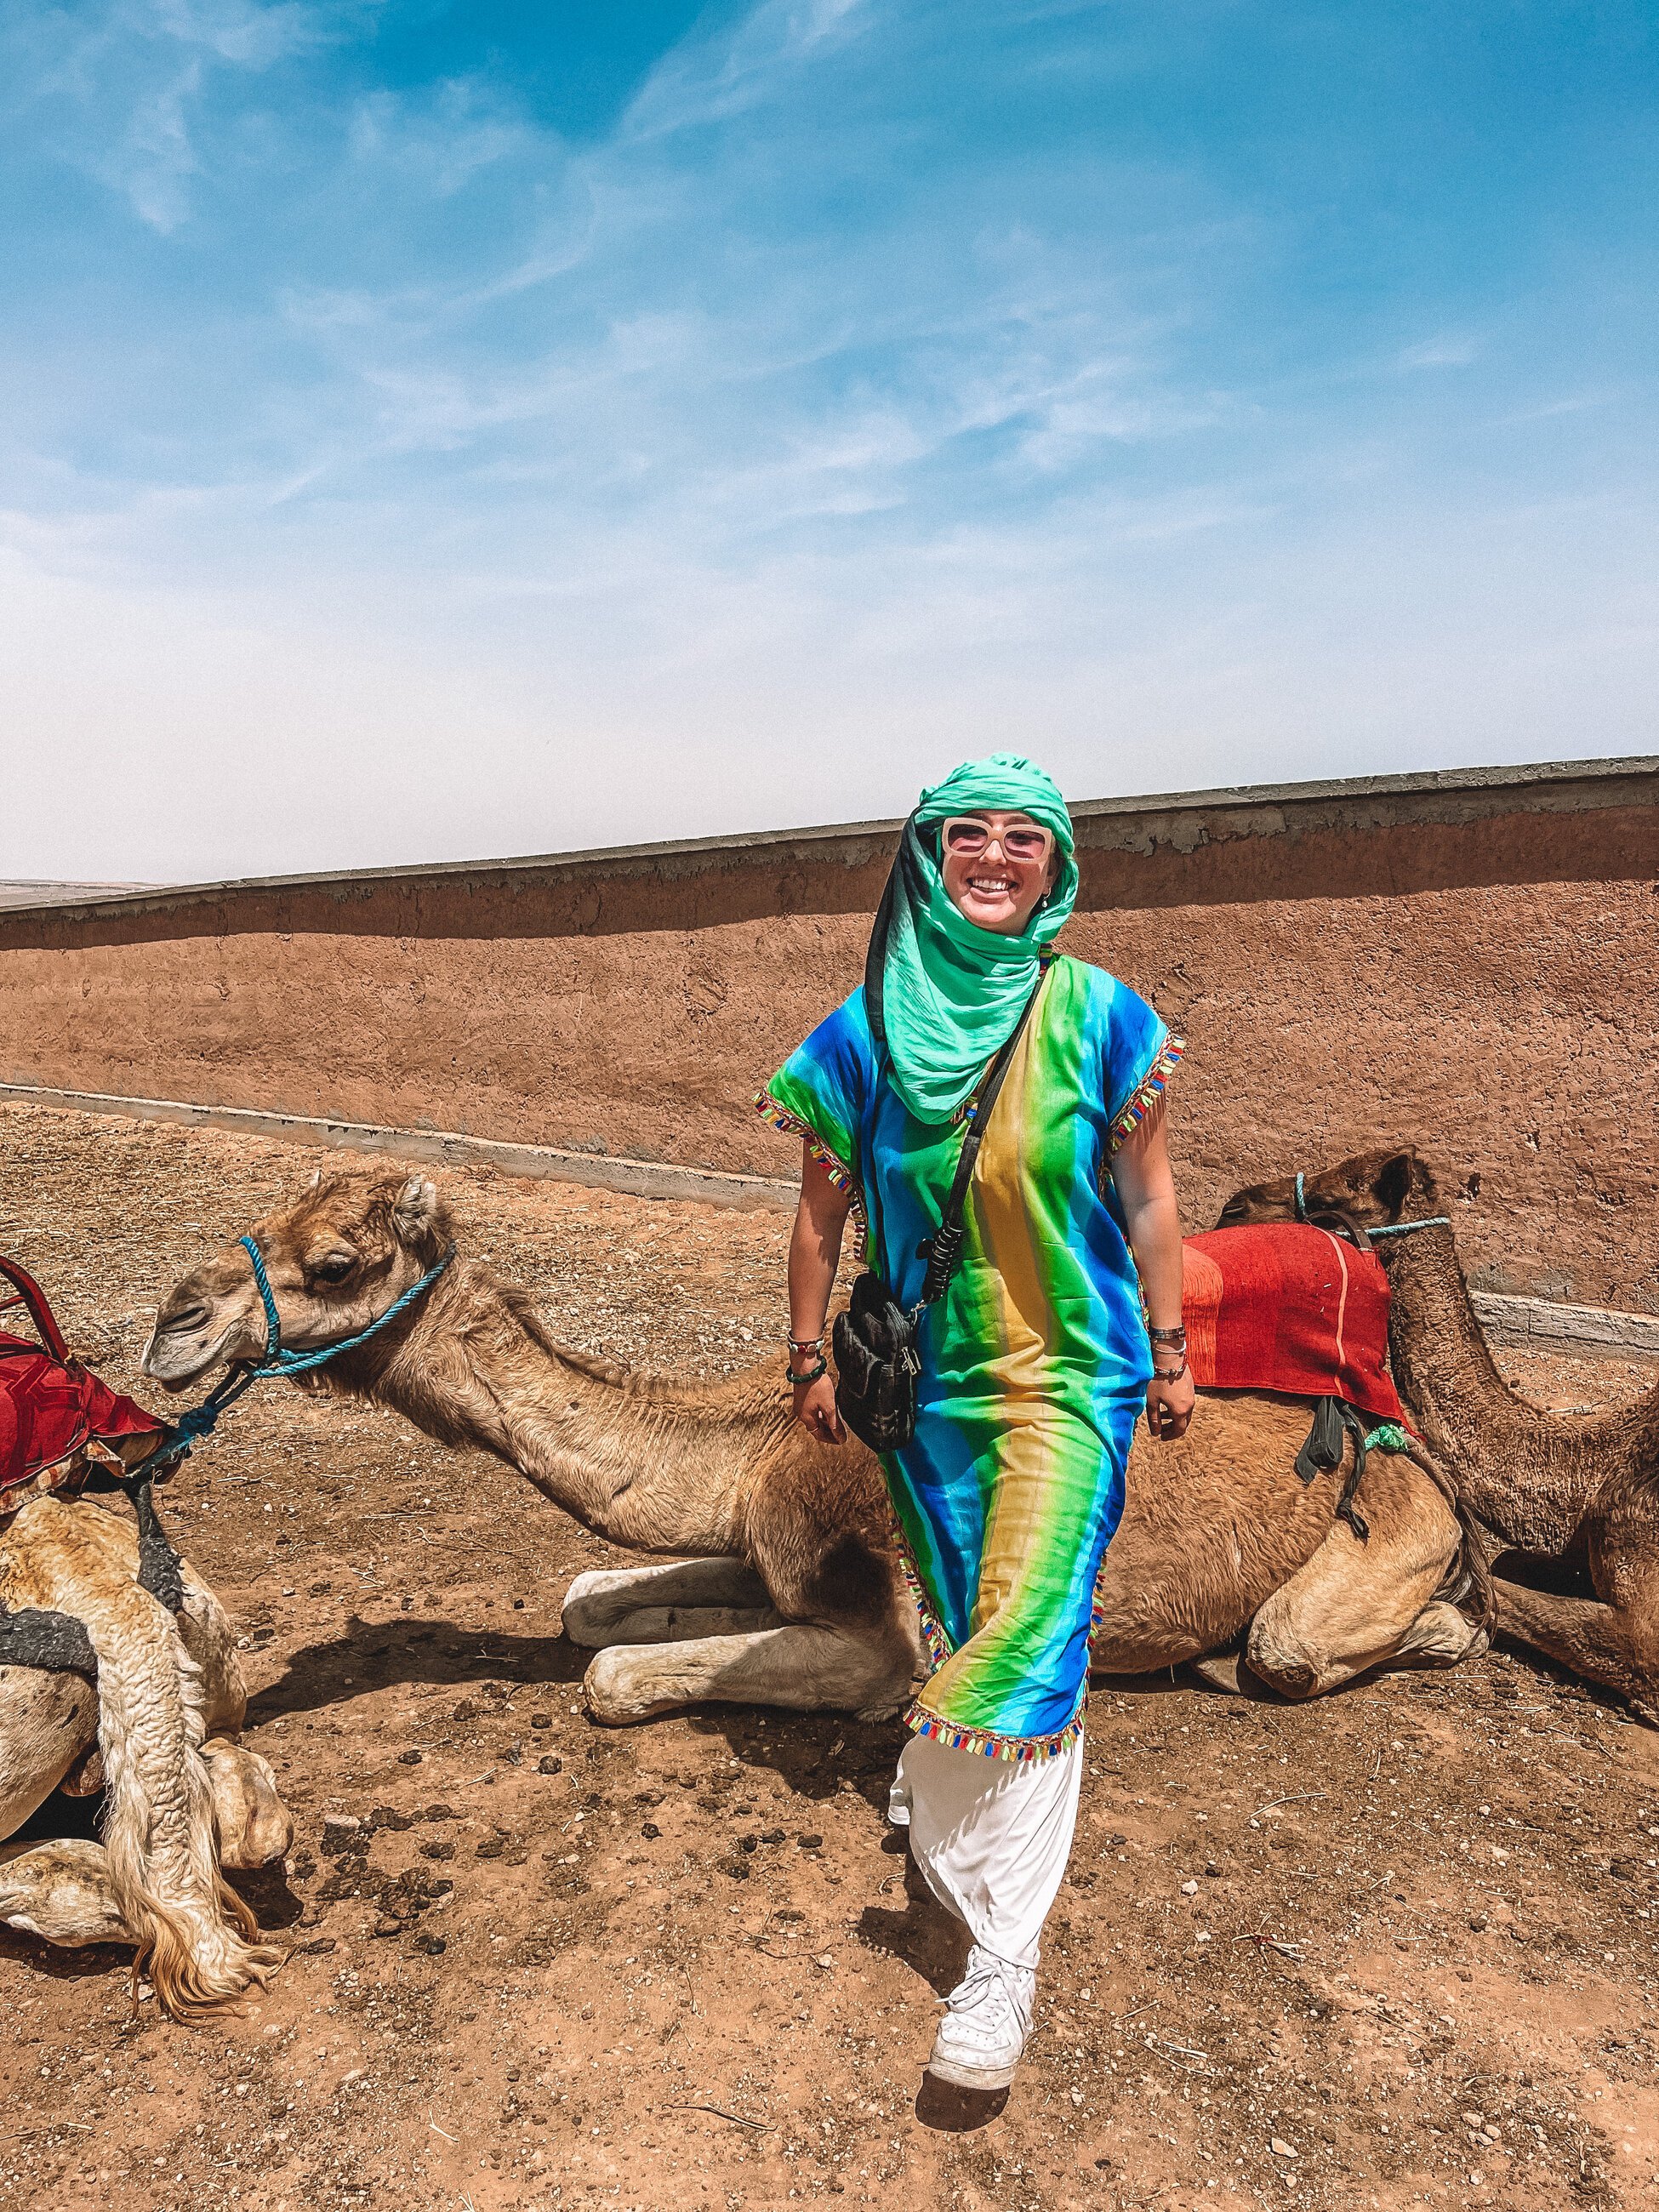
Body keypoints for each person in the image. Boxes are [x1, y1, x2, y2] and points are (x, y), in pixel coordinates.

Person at [754, 753, 1194, 2092]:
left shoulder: (1108, 1019)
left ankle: (999, 1956)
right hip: (929, 1387)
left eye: (1027, 841)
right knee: (958, 1603)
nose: (997, 859)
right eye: (970, 837)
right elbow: (824, 1214)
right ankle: (948, 1775)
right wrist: (803, 1356)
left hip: (1073, 1377)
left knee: (1029, 1626)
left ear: (1058, 869)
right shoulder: (862, 1032)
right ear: (926, 858)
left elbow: (1150, 1200)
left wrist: (1172, 1351)